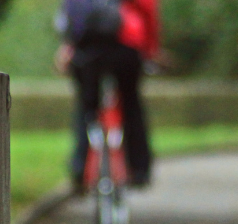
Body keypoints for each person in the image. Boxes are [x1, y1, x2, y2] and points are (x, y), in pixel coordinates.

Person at [56, 0, 160, 191]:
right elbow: (147, 9)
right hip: (127, 43)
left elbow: (69, 11)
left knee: (86, 107)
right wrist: (151, 50)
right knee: (131, 103)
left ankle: (79, 167)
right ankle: (139, 169)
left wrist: (67, 45)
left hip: (87, 48)